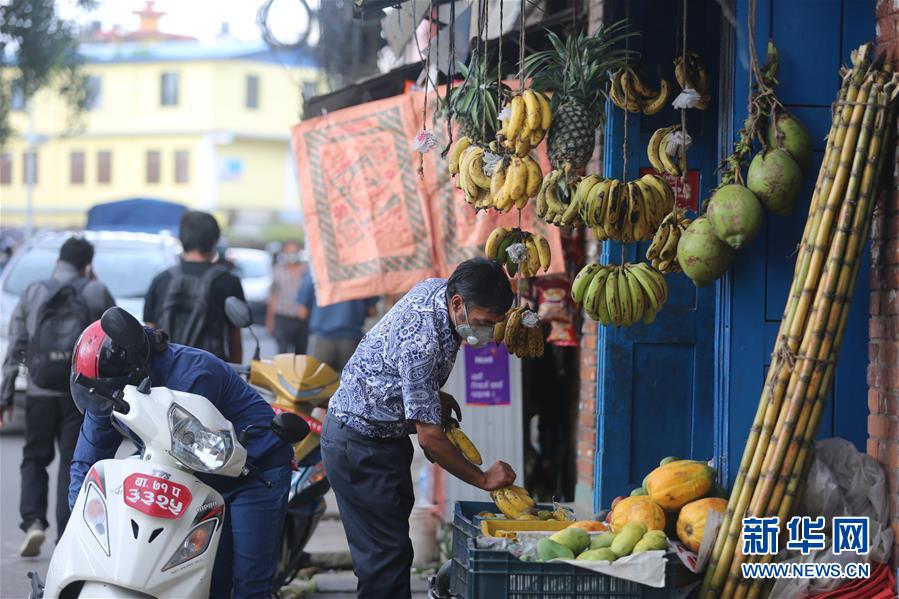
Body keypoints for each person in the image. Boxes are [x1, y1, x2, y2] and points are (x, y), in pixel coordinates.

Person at [321, 257, 517, 598]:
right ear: (458, 303)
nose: (486, 333)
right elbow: (431, 440)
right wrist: (483, 478)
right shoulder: (423, 340)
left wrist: (427, 395)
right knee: (385, 560)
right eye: (484, 322)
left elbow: (397, 361)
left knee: (391, 551)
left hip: (385, 438)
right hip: (359, 443)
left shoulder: (436, 290)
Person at [68, 308, 294, 598]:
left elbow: (189, 458)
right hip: (201, 478)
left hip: (254, 473)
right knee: (210, 582)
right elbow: (86, 462)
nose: (106, 401)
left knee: (248, 585)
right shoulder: (106, 389)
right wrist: (81, 526)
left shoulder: (194, 375)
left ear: (136, 370)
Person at [1, 237, 115, 557]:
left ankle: (34, 522)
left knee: (34, 458)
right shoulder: (96, 292)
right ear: (87, 266)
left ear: (57, 262)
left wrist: (6, 394)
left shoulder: (33, 291)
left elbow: (16, 344)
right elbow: (111, 341)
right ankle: (66, 533)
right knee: (71, 461)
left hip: (38, 390)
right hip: (78, 394)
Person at [143, 211, 245, 362]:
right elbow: (234, 339)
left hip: (166, 374)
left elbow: (149, 333)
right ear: (214, 240)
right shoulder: (228, 281)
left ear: (182, 239)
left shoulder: (161, 280)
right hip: (211, 372)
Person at [296, 268, 379, 372]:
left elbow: (302, 313)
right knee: (350, 384)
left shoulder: (315, 272)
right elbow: (372, 311)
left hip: (321, 341)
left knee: (318, 384)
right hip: (352, 341)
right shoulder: (362, 273)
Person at [267, 240, 308, 354]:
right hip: (282, 318)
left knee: (300, 354)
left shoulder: (307, 271)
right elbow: (273, 296)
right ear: (284, 252)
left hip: (301, 320)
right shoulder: (278, 270)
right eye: (289, 251)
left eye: (295, 251)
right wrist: (270, 319)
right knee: (282, 353)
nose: (292, 254)